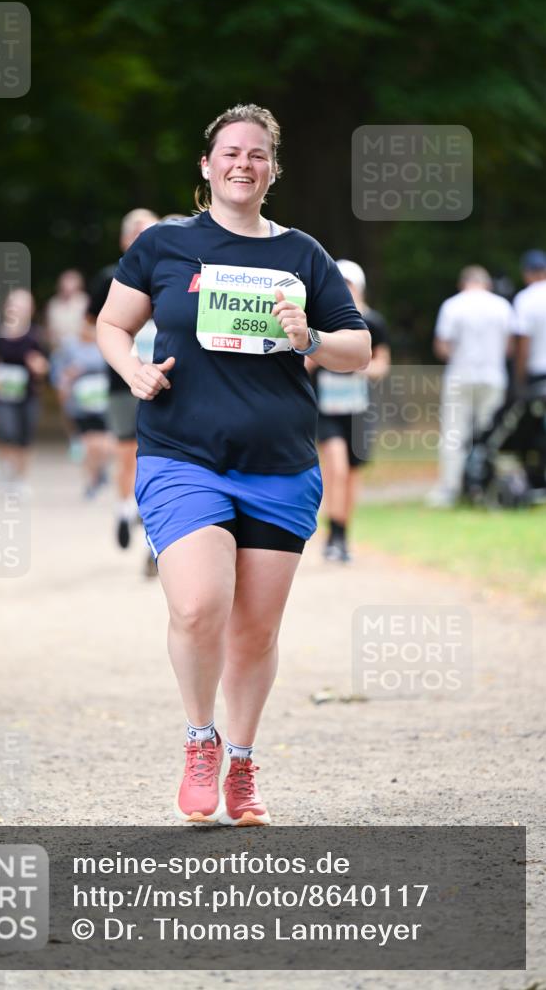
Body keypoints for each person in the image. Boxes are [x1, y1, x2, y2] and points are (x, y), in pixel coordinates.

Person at [97, 104, 370, 826]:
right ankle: (200, 739)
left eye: (257, 154)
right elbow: (113, 323)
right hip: (182, 454)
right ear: (207, 165)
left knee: (254, 631)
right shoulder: (163, 244)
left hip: (279, 464)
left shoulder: (302, 255)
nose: (242, 164)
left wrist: (310, 337)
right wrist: (131, 370)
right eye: (230, 152)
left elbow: (357, 348)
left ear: (272, 170)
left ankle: (242, 761)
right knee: (197, 606)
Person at [308, 259, 390, 562]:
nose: (344, 290)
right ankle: (332, 533)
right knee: (336, 468)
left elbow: (381, 365)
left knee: (352, 474)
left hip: (358, 410)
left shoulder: (373, 323)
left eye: (349, 284)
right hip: (327, 408)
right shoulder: (320, 319)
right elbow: (306, 361)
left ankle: (342, 535)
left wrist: (357, 363)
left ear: (360, 287)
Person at [88, 209, 159, 548]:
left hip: (164, 380)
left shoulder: (171, 273)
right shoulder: (109, 278)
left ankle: (149, 524)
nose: (142, 239)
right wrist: (120, 341)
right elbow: (91, 325)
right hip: (122, 380)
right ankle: (123, 509)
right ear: (123, 239)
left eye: (149, 232)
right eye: (136, 233)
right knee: (126, 450)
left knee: (156, 454)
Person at [427, 265, 515, 508]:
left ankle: (450, 488)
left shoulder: (452, 305)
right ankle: (488, 486)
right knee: (491, 435)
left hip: (460, 376)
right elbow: (510, 347)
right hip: (493, 377)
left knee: (454, 434)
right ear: (487, 283)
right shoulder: (502, 306)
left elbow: (442, 346)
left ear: (462, 283)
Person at [0, 289, 49, 495]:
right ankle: (8, 468)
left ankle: (21, 478)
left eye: (23, 306)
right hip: (4, 394)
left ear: (31, 310)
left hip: (28, 394)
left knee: (25, 438)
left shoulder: (36, 335)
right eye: (15, 304)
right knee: (7, 432)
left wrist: (37, 365)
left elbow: (45, 366)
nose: (18, 309)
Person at [57, 319, 113, 498]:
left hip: (103, 401)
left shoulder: (106, 345)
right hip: (80, 403)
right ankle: (92, 480)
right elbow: (61, 374)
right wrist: (67, 383)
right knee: (89, 444)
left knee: (104, 444)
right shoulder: (69, 347)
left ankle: (101, 470)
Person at [46, 270, 90, 460]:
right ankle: (74, 436)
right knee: (64, 398)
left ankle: (87, 433)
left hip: (79, 354)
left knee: (82, 394)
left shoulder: (84, 302)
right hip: (60, 354)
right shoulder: (54, 305)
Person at [513, 249, 546, 389]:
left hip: (537, 371)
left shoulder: (525, 299)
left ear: (526, 273)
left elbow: (523, 343)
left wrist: (519, 379)